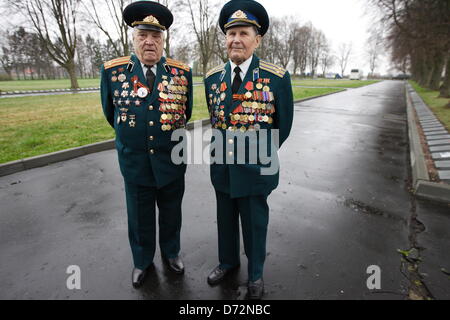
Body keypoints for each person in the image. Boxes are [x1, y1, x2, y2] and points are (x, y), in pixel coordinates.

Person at [204, 0, 294, 300]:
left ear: (257, 39)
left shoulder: (276, 78)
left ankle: (255, 274)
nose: (236, 40)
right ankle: (227, 263)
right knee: (225, 221)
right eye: (231, 34)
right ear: (225, 38)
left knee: (255, 224)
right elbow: (218, 121)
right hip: (222, 167)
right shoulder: (213, 78)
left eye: (243, 33)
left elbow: (283, 126)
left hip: (256, 168)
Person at [100, 0, 193, 288]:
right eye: (143, 35)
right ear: (133, 38)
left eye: (156, 36)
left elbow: (184, 113)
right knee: (139, 217)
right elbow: (110, 113)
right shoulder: (114, 73)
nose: (149, 42)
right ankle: (142, 261)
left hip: (171, 160)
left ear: (164, 40)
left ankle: (171, 253)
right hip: (135, 162)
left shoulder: (181, 74)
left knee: (171, 213)